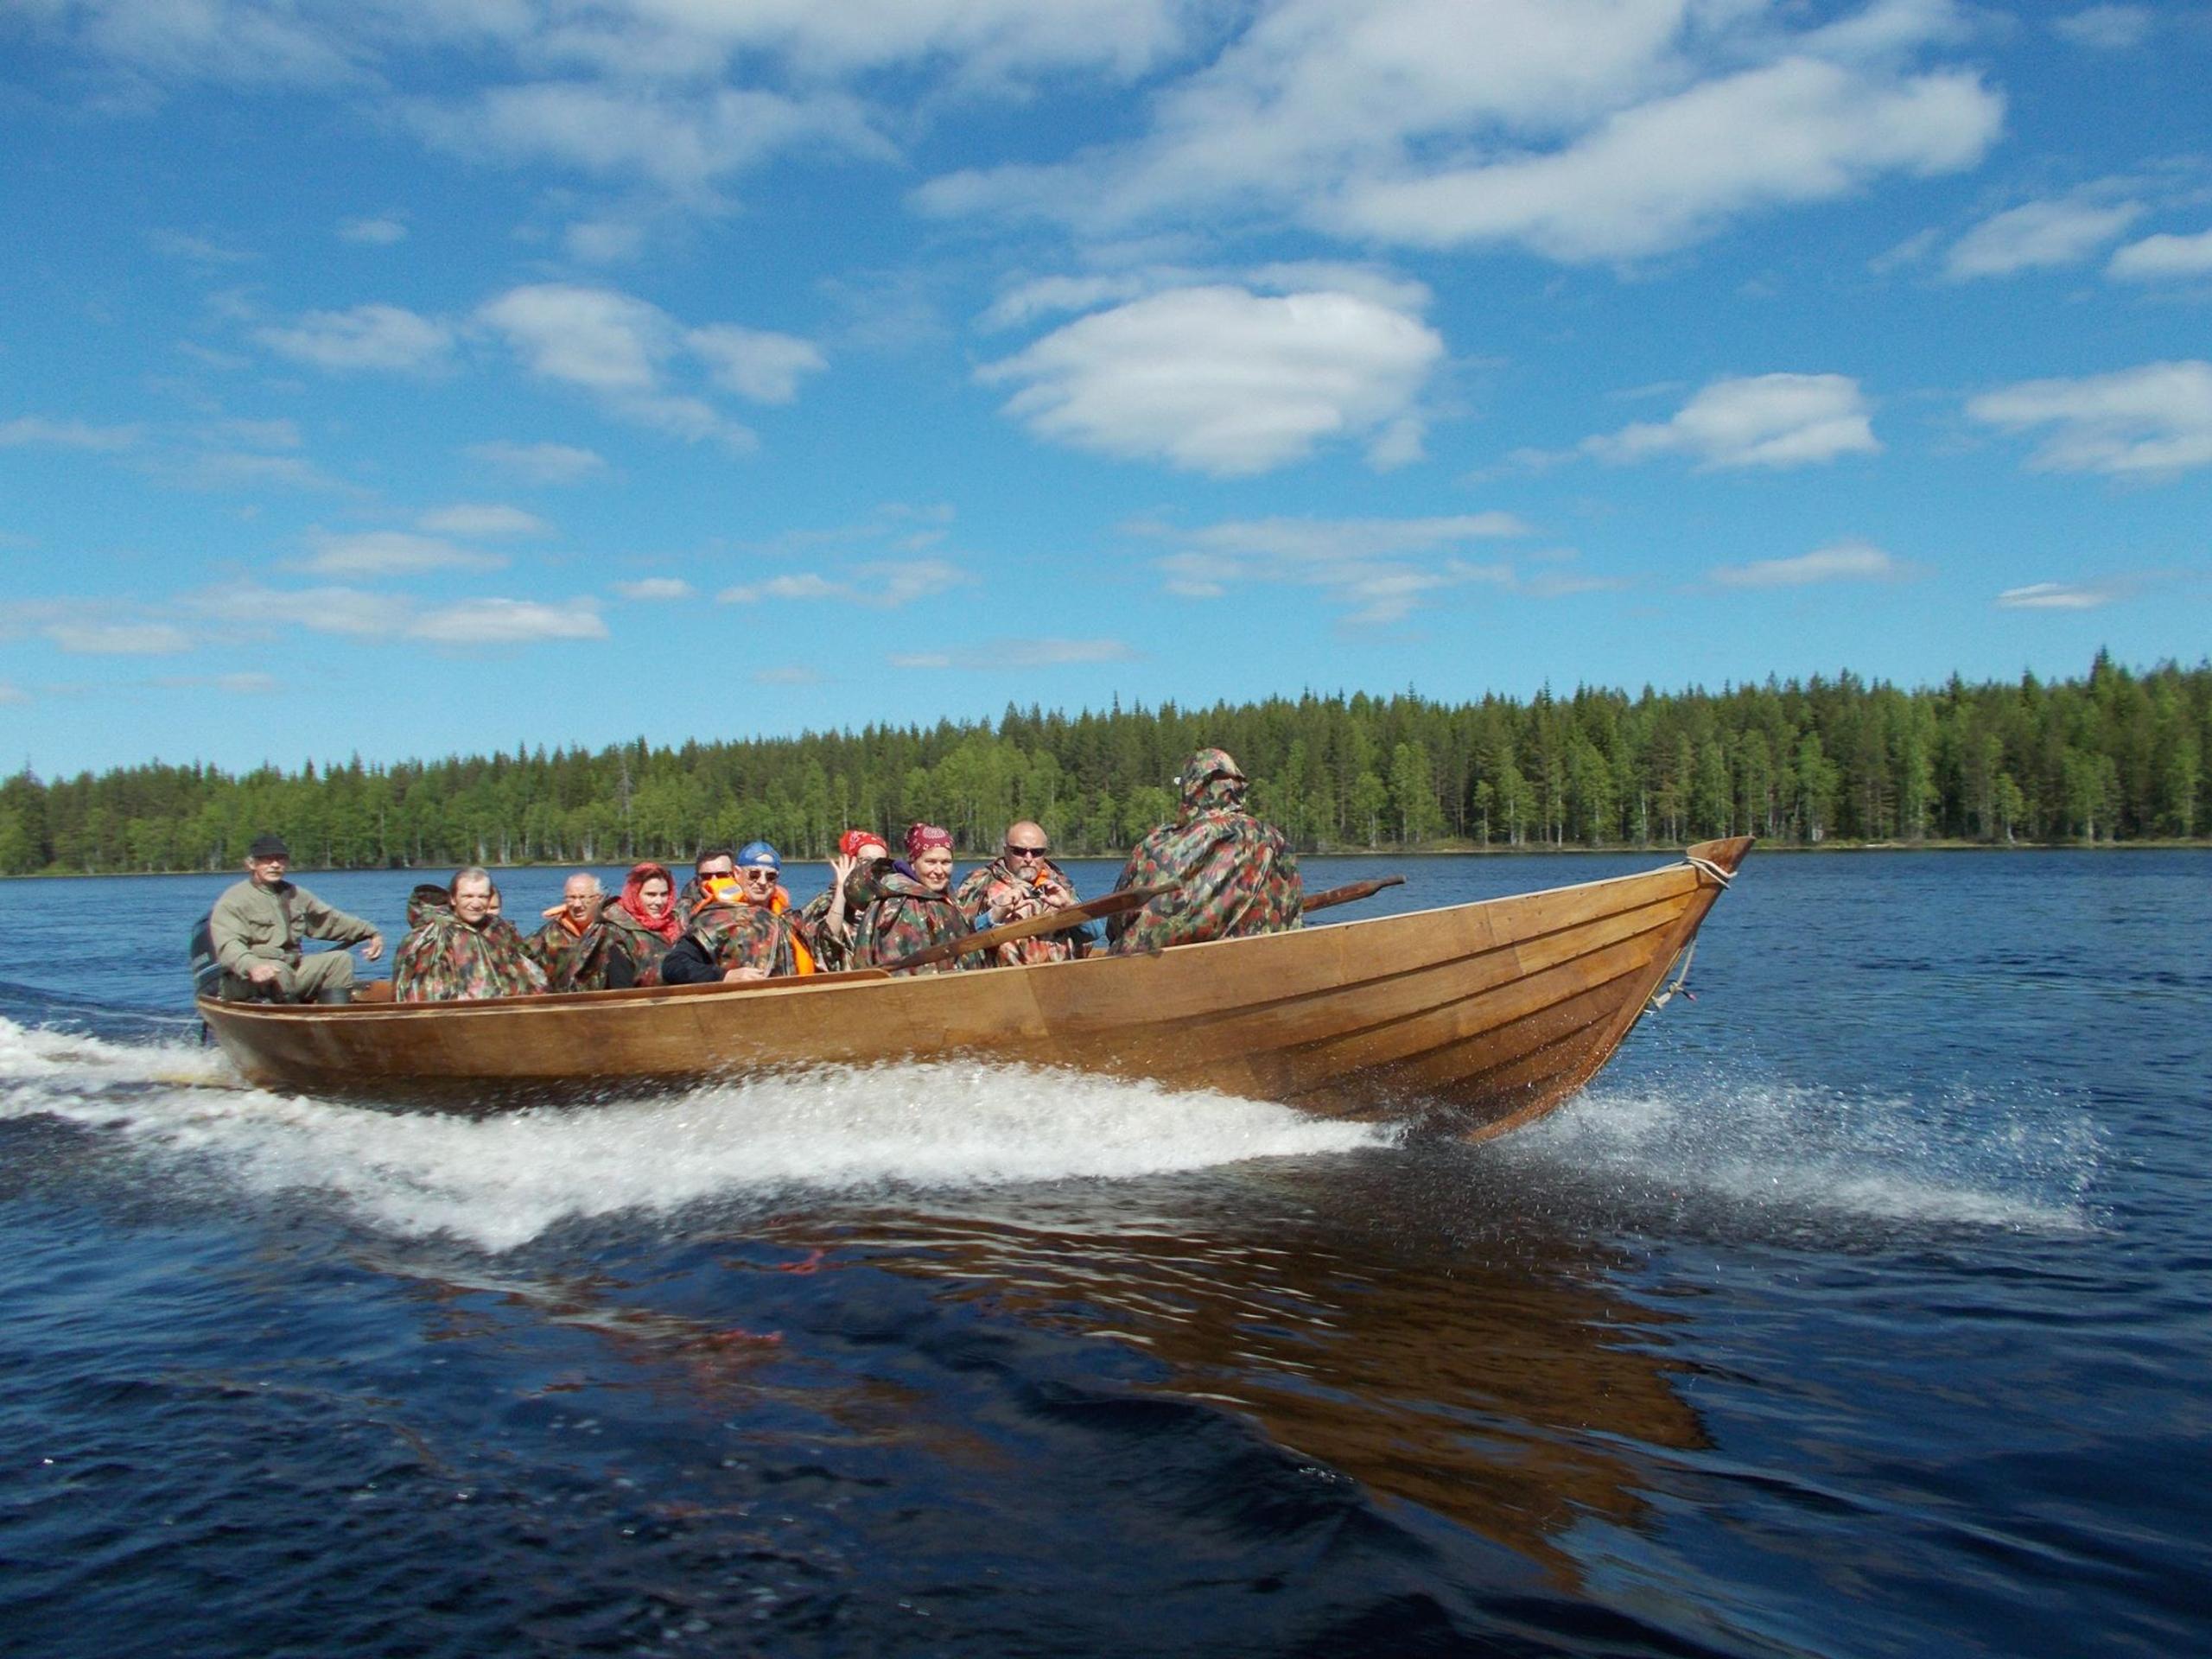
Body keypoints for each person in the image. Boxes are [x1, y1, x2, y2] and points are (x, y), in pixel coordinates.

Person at [1105, 748, 1303, 955]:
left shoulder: (1160, 843)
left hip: (1168, 976)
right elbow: (1293, 917)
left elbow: (1115, 924)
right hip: (1270, 967)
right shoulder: (1278, 842)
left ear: (1192, 789)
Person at [205, 833, 385, 1003]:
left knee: (340, 960)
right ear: (251, 864)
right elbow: (229, 945)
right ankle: (287, 1023)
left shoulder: (296, 895)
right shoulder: (234, 900)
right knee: (279, 971)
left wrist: (371, 932)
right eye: (267, 859)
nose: (275, 864)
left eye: (280, 859)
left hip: (291, 969)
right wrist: (252, 966)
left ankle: (334, 1021)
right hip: (248, 978)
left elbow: (330, 920)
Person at [392, 867, 549, 1001]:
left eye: (482, 897)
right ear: (453, 899)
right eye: (467, 896)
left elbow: (530, 971)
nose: (475, 904)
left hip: (510, 1020)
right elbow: (416, 995)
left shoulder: (500, 929)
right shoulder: (430, 935)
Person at [953, 821, 1090, 966]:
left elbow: (1092, 933)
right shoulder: (979, 882)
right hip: (1004, 981)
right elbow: (960, 940)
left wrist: (1070, 908)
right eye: (1019, 851)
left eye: (1037, 852)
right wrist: (995, 916)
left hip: (1057, 979)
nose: (1029, 858)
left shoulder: (1059, 883)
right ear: (1006, 851)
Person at [851, 823, 976, 976]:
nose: (939, 871)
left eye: (946, 862)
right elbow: (908, 971)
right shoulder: (903, 905)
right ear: (913, 863)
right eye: (930, 862)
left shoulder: (939, 895)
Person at [660, 857, 804, 984]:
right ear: (737, 874)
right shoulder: (712, 918)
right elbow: (673, 965)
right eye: (754, 875)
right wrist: (724, 976)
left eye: (771, 877)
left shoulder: (787, 919)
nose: (762, 882)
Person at [794, 829, 888, 973]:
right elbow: (828, 941)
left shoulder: (891, 900)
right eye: (866, 861)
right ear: (851, 862)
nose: (873, 867)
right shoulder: (827, 902)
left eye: (880, 862)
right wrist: (842, 889)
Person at [528, 871, 621, 991]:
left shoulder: (613, 930)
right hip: (563, 1004)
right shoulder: (548, 934)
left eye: (583, 897)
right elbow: (521, 960)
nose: (577, 904)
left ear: (598, 898)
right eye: (571, 898)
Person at [599, 861, 682, 987]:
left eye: (664, 894)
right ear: (635, 895)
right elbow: (620, 987)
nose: (659, 902)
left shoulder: (678, 923)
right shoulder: (617, 931)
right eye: (651, 895)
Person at [675, 848, 736, 929]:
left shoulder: (751, 898)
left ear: (735, 875)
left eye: (722, 875)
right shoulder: (683, 911)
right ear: (697, 879)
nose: (714, 881)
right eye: (706, 876)